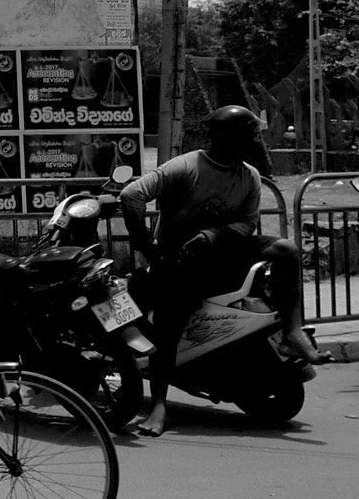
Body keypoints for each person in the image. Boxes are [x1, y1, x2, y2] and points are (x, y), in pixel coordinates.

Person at [119, 104, 323, 437]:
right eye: (248, 133)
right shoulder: (186, 166)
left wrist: (213, 236)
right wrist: (148, 249)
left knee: (285, 249)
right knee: (169, 326)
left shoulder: (250, 175)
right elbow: (131, 195)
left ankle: (293, 332)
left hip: (222, 252)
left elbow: (248, 223)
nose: (253, 140)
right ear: (221, 136)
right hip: (180, 262)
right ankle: (158, 403)